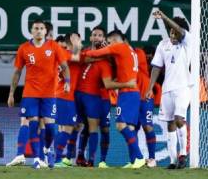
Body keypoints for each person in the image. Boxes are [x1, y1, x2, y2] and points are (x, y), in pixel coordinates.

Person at [6, 19, 70, 169]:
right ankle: (36, 158)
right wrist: (11, 93)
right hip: (30, 93)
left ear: (45, 31)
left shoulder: (54, 46)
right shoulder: (24, 48)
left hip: (49, 94)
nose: (39, 30)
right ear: (31, 31)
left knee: (50, 128)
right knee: (32, 123)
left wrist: (67, 82)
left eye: (41, 28)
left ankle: (47, 149)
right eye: (36, 28)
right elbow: (17, 72)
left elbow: (65, 66)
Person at [74, 26, 135, 167]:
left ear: (104, 39)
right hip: (89, 96)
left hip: (104, 99)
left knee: (105, 129)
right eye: (94, 35)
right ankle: (80, 157)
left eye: (100, 35)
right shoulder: (86, 53)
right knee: (85, 126)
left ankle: (101, 160)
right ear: (90, 37)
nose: (96, 37)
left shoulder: (112, 54)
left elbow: (117, 68)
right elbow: (81, 58)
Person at [85, 29, 146, 169]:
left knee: (120, 125)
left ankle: (140, 157)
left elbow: (96, 53)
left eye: (109, 41)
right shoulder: (130, 50)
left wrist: (83, 53)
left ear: (114, 40)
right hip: (132, 93)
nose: (108, 44)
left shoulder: (119, 46)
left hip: (127, 93)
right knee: (129, 127)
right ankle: (134, 161)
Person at [145, 10, 192, 169]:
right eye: (170, 31)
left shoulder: (188, 42)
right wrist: (150, 88)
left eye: (175, 32)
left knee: (179, 119)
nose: (172, 34)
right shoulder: (162, 45)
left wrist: (164, 17)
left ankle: (183, 154)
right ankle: (173, 161)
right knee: (170, 125)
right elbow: (157, 67)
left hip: (184, 87)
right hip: (167, 89)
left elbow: (179, 30)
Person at [53, 33, 82, 167]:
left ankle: (57, 158)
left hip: (64, 95)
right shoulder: (64, 53)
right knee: (68, 128)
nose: (80, 41)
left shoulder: (62, 53)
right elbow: (77, 56)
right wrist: (76, 43)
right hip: (64, 95)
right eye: (77, 38)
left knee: (65, 128)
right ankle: (57, 159)